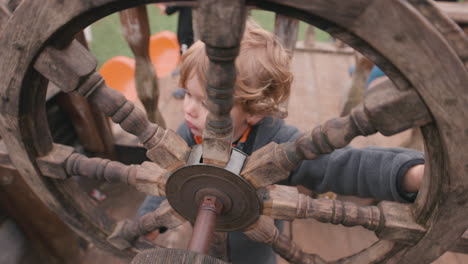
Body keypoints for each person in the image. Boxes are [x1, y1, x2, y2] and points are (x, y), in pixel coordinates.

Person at [137, 21, 424, 264]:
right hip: (204, 234)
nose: (189, 109)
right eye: (187, 94)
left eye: (204, 102)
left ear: (255, 111)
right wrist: (150, 218)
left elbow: (344, 165)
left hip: (254, 251)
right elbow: (169, 178)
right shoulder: (190, 134)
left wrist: (408, 175)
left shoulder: (277, 143)